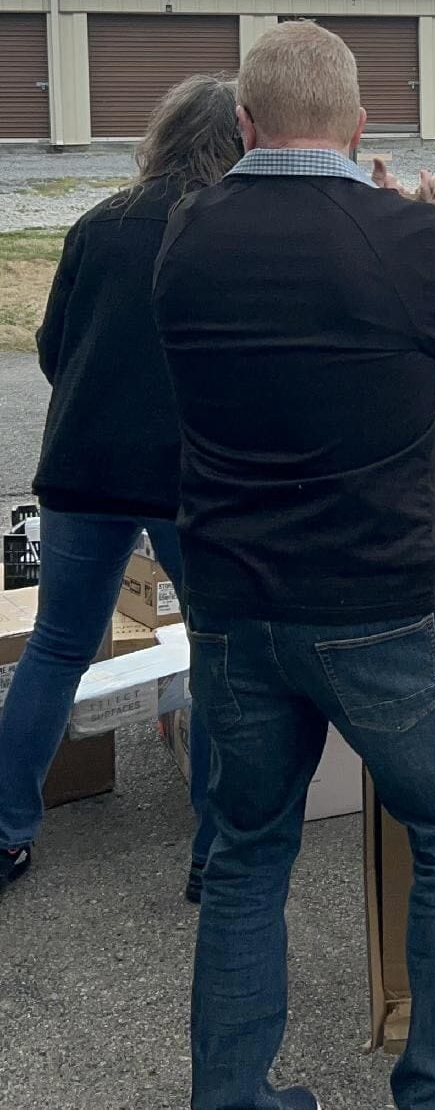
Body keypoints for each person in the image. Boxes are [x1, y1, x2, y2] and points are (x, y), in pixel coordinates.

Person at [152, 20, 435, 1110]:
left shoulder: (188, 235)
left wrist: (386, 223)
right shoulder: (398, 239)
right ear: (363, 127)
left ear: (243, 126)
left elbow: (298, 257)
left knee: (244, 863)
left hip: (231, 610)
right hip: (379, 609)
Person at [0, 75, 243, 897]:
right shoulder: (228, 229)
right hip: (190, 480)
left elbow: (52, 347)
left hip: (82, 468)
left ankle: (5, 833)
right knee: (218, 651)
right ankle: (213, 850)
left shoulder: (97, 225)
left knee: (59, 646)